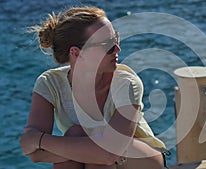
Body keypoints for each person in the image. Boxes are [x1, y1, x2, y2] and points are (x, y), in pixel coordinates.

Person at [20, 6, 168, 169]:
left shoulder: (126, 83)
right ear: (76, 53)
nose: (117, 49)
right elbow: (33, 153)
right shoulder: (50, 83)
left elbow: (109, 154)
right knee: (77, 136)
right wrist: (92, 151)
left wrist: (40, 140)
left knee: (90, 147)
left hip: (142, 160)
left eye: (116, 39)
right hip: (98, 156)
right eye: (108, 44)